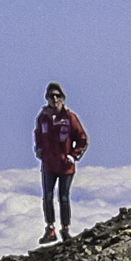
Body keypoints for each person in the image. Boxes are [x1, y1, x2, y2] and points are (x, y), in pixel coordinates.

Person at [34, 83, 89, 244]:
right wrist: (39, 151)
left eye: (57, 96)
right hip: (49, 165)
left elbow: (82, 139)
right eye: (52, 96)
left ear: (62, 97)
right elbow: (38, 135)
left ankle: (65, 228)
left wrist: (73, 156)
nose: (55, 99)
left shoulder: (69, 118)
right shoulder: (43, 117)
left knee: (63, 197)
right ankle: (50, 228)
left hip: (65, 166)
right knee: (47, 197)